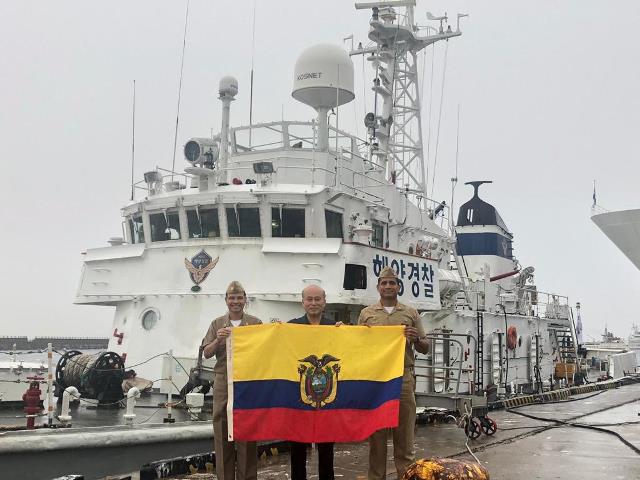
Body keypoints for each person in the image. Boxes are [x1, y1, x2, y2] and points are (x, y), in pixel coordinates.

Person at [357, 266, 429, 480]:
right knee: (376, 439)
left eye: (392, 283)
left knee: (405, 437)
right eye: (384, 283)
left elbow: (425, 347)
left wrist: (416, 338)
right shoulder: (367, 314)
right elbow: (357, 344)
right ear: (378, 287)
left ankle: (405, 476)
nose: (388, 286)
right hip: (376, 379)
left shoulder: (410, 313)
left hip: (403, 377)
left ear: (398, 287)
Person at [202, 281, 262, 480]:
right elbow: (207, 353)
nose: (235, 301)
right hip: (222, 380)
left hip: (247, 380)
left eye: (239, 298)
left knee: (247, 429)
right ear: (226, 300)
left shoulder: (255, 323)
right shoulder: (217, 323)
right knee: (221, 428)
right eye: (232, 298)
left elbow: (265, 348)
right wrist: (218, 340)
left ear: (245, 299)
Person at [288, 284, 336, 480]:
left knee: (327, 451)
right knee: (297, 450)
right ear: (303, 302)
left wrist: (347, 333)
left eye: (317, 299)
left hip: (326, 395)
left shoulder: (335, 328)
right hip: (300, 396)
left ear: (324, 302)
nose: (313, 303)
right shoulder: (291, 327)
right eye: (309, 299)